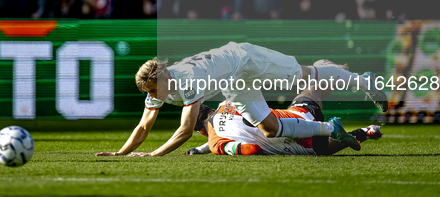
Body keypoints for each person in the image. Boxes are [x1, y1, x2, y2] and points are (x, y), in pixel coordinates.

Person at [95, 45, 387, 157]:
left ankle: (364, 81)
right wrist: (120, 154)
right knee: (270, 129)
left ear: (160, 81)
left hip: (245, 59)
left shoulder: (185, 80)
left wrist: (152, 155)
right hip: (233, 82)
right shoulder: (162, 86)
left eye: (150, 91)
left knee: (307, 76)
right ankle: (328, 129)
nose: (150, 97)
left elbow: (185, 131)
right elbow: (144, 126)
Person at [186, 77, 383, 156]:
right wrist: (200, 149)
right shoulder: (225, 103)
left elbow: (249, 148)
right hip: (299, 115)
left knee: (322, 148)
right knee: (315, 87)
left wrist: (217, 151)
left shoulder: (215, 141)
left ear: (199, 130)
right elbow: (230, 126)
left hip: (299, 144)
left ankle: (364, 132)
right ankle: (360, 80)